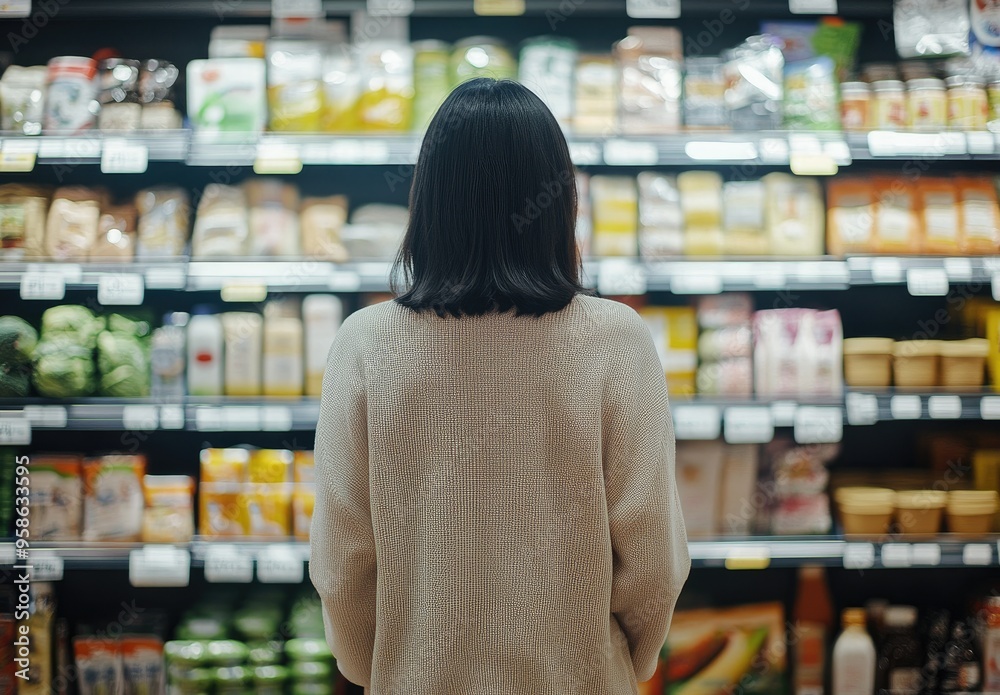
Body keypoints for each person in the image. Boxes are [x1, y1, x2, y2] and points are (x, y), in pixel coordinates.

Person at [309, 77, 690, 695]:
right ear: (561, 199)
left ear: (427, 202)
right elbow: (651, 555)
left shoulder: (365, 340)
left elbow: (344, 554)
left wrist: (379, 664)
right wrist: (618, 659)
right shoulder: (617, 337)